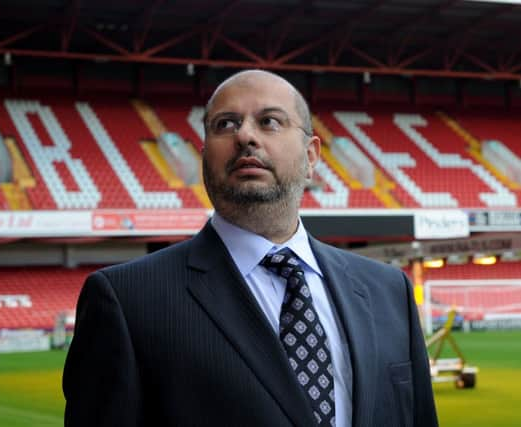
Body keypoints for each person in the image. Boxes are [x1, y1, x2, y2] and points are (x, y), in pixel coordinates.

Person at [62, 69, 438, 427]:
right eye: (225, 124)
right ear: (205, 154)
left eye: (270, 121)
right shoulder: (127, 301)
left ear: (311, 157)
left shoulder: (390, 291)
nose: (246, 136)